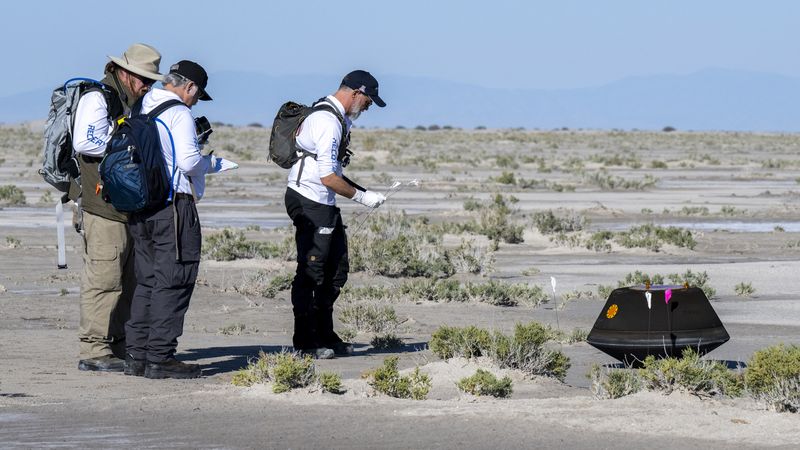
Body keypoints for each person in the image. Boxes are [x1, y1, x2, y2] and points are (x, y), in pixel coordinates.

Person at [124, 60, 222, 379]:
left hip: (141, 205)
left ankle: (136, 355)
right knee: (175, 278)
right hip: (172, 204)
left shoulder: (142, 103)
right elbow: (189, 160)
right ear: (189, 87)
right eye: (196, 94)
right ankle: (160, 358)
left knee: (147, 280)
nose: (194, 100)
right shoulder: (179, 112)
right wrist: (213, 165)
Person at [72, 43, 163, 372]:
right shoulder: (98, 98)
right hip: (102, 207)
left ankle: (119, 345)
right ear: (124, 73)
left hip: (128, 205)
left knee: (130, 279)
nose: (147, 85)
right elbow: (86, 141)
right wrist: (128, 139)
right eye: (143, 78)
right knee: (104, 278)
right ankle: (94, 349)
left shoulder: (134, 102)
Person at [285, 70, 387, 359]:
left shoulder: (338, 118)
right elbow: (328, 176)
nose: (368, 106)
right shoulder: (327, 121)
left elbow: (332, 174)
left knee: (336, 270)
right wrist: (362, 197)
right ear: (355, 92)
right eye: (368, 99)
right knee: (312, 272)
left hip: (323, 201)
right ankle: (305, 341)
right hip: (309, 199)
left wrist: (362, 192)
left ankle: (325, 333)